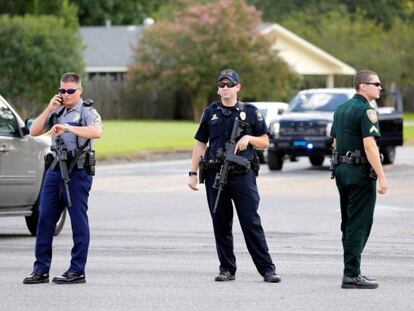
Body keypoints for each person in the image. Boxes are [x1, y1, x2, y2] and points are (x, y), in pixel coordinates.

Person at [187, 69, 281, 283]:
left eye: (230, 85)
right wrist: (193, 173)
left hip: (242, 176)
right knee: (220, 223)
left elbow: (265, 141)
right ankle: (227, 268)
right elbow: (200, 142)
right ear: (218, 88)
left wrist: (249, 138)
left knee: (251, 223)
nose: (225, 88)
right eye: (222, 85)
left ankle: (267, 269)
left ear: (238, 87)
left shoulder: (251, 112)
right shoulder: (211, 112)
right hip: (215, 174)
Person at [23, 72, 102, 284]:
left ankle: (77, 270)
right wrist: (49, 108)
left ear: (80, 90)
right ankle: (41, 270)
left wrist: (67, 128)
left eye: (70, 91)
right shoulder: (56, 110)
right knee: (45, 219)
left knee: (78, 220)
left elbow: (96, 132)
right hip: (56, 170)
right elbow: (34, 131)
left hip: (78, 171)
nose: (65, 94)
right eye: (62, 90)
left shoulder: (86, 111)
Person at [330, 69, 387, 289]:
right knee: (359, 224)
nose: (380, 88)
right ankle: (351, 274)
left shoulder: (341, 109)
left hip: (342, 171)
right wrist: (382, 177)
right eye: (377, 84)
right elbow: (369, 145)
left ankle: (351, 270)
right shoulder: (367, 111)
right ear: (363, 86)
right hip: (360, 173)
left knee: (348, 222)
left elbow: (335, 141)